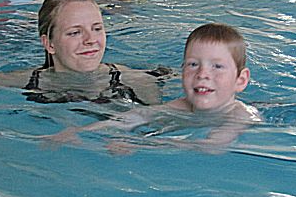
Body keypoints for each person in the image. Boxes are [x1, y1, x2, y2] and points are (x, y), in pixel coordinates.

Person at [0, 0, 170, 148]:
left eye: (97, 28)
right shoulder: (13, 80)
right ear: (49, 43)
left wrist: (131, 141)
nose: (91, 40)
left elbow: (160, 127)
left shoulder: (137, 82)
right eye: (75, 32)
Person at [44, 23, 262, 153]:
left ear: (240, 81)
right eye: (193, 64)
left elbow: (210, 147)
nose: (203, 74)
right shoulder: (181, 106)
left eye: (217, 66)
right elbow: (137, 116)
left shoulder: (240, 116)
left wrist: (140, 145)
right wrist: (80, 131)